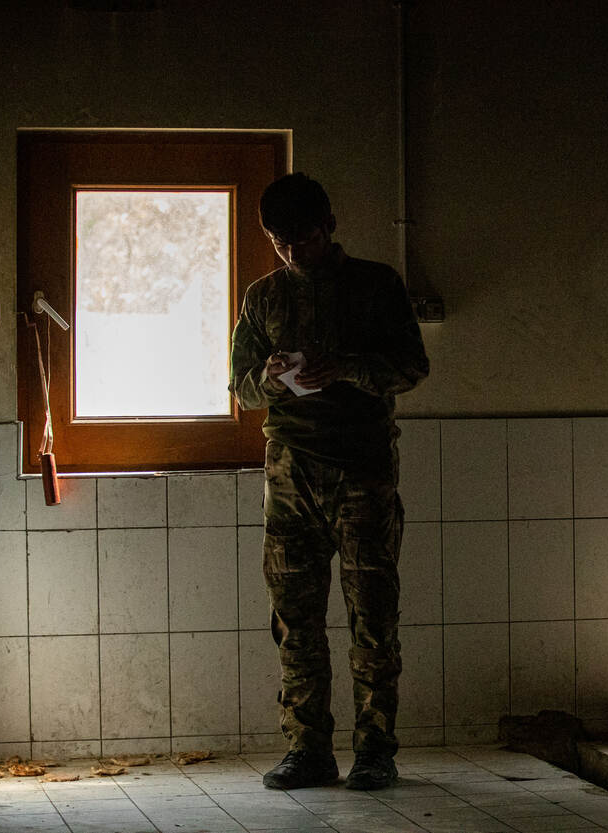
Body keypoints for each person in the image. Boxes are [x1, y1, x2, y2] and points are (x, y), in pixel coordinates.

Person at [230, 173, 429, 789]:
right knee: (295, 620)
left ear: (330, 226)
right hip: (289, 472)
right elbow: (240, 388)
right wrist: (269, 379)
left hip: (361, 468)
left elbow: (411, 367)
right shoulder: (263, 297)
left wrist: (346, 368)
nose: (294, 254)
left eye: (305, 240)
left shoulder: (376, 286)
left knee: (373, 615)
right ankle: (308, 749)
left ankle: (375, 751)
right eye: (281, 243)